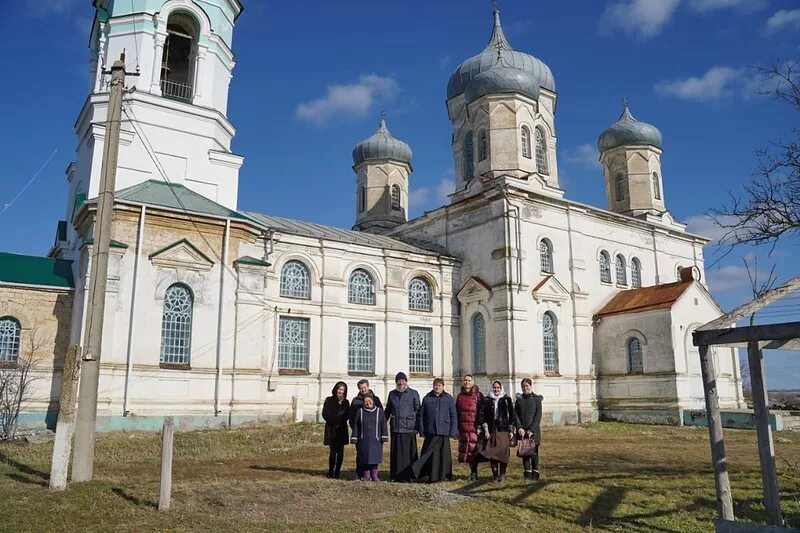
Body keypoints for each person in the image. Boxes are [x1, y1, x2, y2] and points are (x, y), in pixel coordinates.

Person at [412, 377, 458, 483]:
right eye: (435, 385)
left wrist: (453, 431)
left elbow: (453, 415)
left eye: (439, 385)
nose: (437, 387)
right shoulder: (427, 398)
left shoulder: (448, 398)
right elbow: (422, 415)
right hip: (431, 431)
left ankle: (444, 475)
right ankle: (428, 474)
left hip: (443, 431)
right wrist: (422, 430)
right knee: (429, 455)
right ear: (433, 386)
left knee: (443, 456)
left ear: (443, 387)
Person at [385, 372, 420, 482]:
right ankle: (396, 475)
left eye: (403, 380)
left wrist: (419, 427)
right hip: (396, 427)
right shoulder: (392, 394)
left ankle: (411, 475)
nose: (401, 382)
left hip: (409, 428)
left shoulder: (414, 393)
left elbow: (418, 410)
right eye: (399, 381)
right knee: (396, 454)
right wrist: (380, 423)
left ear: (406, 381)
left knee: (409, 453)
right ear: (396, 382)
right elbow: (388, 410)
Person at [479, 380, 517, 482]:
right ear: (492, 388)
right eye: (494, 388)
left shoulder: (506, 399)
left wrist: (511, 430)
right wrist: (486, 430)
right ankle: (495, 475)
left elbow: (512, 416)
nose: (496, 390)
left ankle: (502, 474)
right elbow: (482, 416)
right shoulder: (487, 400)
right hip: (492, 430)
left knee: (503, 453)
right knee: (493, 453)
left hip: (503, 430)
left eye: (498, 388)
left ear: (501, 389)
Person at [350, 394, 389, 481]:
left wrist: (384, 436)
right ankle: (366, 475)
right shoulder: (360, 411)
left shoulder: (379, 411)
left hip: (376, 440)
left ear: (373, 401)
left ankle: (375, 475)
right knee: (365, 458)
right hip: (364, 440)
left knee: (375, 458)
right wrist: (354, 437)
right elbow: (356, 425)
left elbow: (383, 425)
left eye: (369, 401)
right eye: (365, 401)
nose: (368, 403)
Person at [456, 374, 484, 481]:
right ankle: (472, 472)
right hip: (463, 427)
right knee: (466, 450)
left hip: (474, 427)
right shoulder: (460, 396)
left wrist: (480, 425)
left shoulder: (478, 395)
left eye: (469, 380)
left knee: (474, 450)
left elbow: (481, 411)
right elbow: (457, 412)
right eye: (465, 380)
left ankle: (475, 472)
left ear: (473, 382)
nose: (467, 382)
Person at [514, 378, 543, 480]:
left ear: (531, 386)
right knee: (525, 452)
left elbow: (538, 416)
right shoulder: (519, 400)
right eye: (523, 386)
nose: (525, 388)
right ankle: (527, 472)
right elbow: (515, 414)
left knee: (534, 452)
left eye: (527, 386)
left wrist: (532, 429)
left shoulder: (537, 400)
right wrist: (519, 427)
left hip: (533, 431)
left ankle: (535, 472)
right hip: (522, 431)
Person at [321, 381, 350, 479]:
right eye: (339, 389)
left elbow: (347, 415)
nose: (340, 391)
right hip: (331, 428)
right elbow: (325, 414)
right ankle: (330, 471)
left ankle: (337, 471)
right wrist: (334, 420)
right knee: (333, 452)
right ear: (335, 389)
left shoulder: (346, 402)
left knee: (340, 452)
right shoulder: (329, 400)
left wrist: (340, 420)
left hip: (341, 429)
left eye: (342, 390)